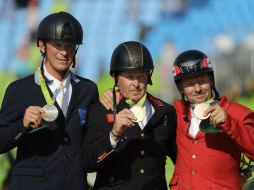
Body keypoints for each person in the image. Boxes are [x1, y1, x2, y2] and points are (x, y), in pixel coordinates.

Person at [0, 12, 98, 190]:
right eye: (57, 44)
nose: (63, 52)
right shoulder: (19, 89)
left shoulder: (88, 90)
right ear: (42, 45)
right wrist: (22, 125)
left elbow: (93, 142)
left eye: (69, 46)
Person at [81, 41, 177, 190]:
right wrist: (114, 135)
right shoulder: (99, 110)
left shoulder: (165, 112)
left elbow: (183, 162)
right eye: (129, 76)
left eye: (141, 76)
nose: (136, 83)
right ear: (115, 78)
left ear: (149, 77)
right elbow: (87, 162)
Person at [169, 50, 254, 189]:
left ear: (211, 81)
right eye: (190, 84)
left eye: (202, 81)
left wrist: (229, 123)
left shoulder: (238, 112)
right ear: (181, 88)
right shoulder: (174, 112)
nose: (197, 89)